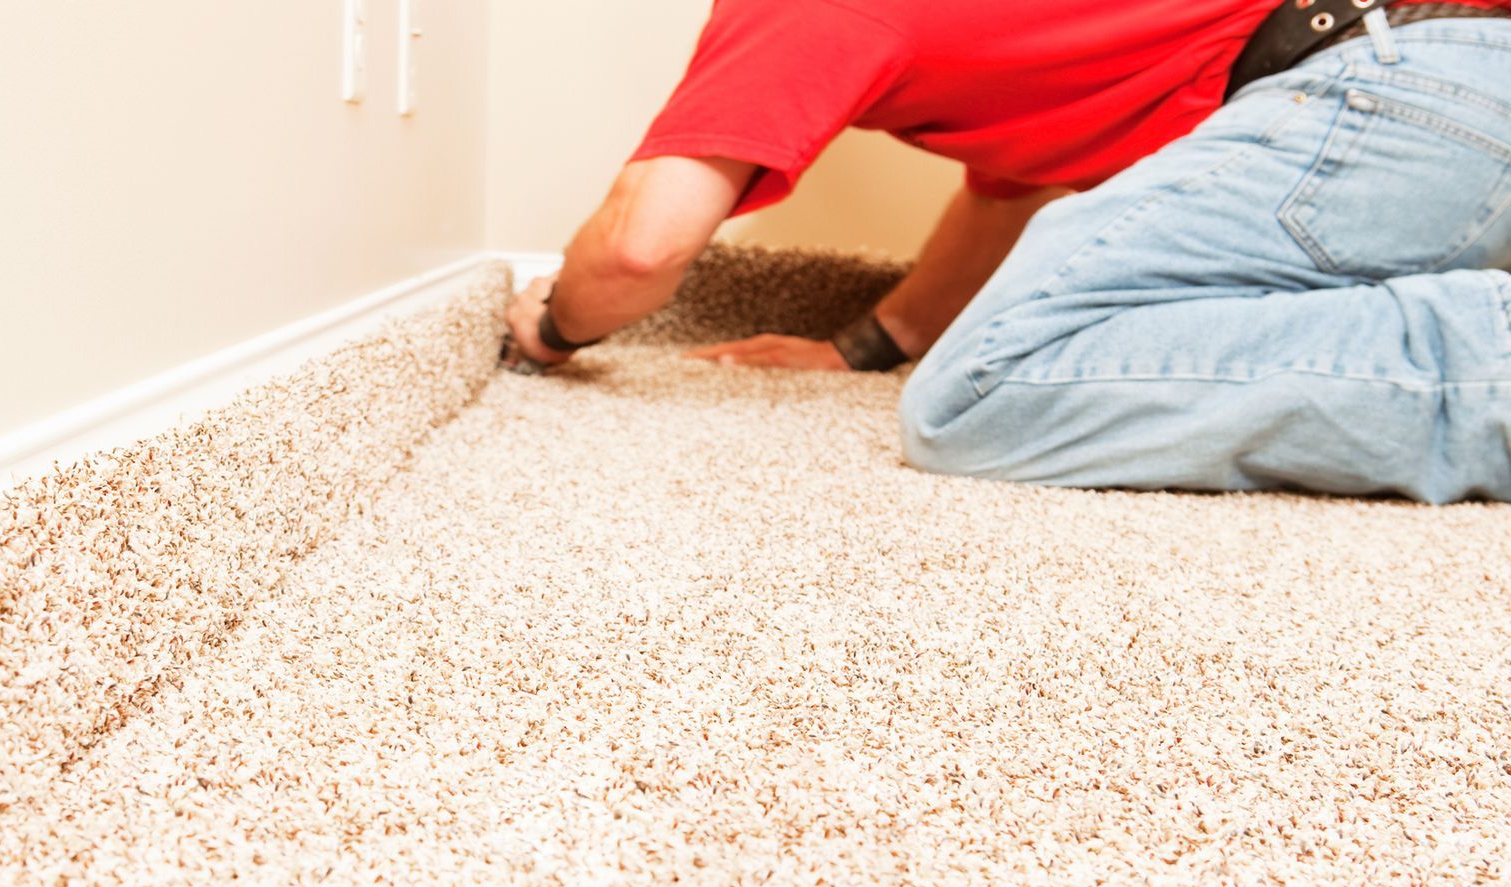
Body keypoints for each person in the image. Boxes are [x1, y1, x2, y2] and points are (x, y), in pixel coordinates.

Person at [503, 0, 1511, 503]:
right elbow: (1014, 177)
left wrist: (548, 323)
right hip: (1446, 98)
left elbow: (641, 246)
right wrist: (868, 343)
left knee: (981, 397)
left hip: (1397, 85)